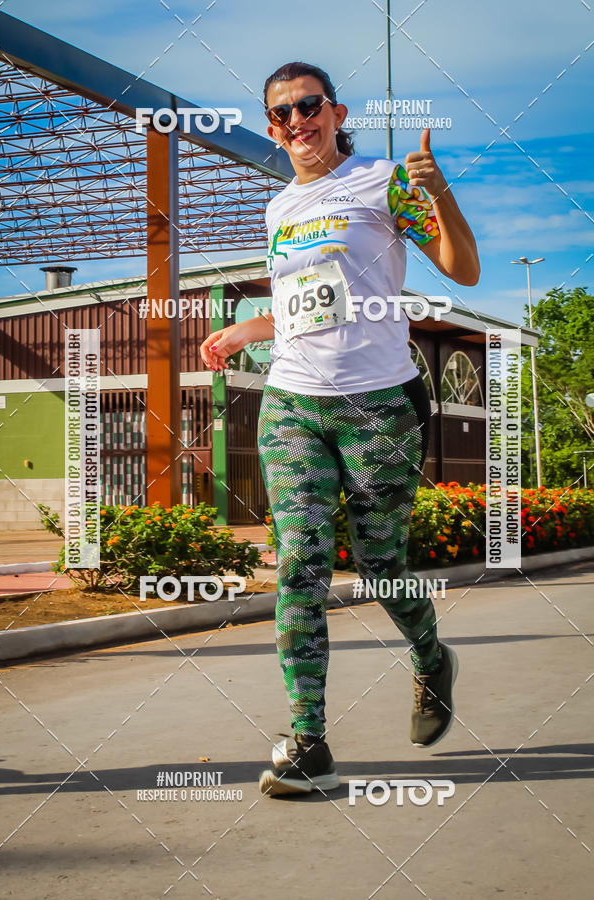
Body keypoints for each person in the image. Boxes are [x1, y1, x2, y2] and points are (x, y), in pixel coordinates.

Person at [199, 61, 480, 797]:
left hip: (378, 404)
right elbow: (311, 303)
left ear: (336, 112)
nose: (297, 121)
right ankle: (308, 741)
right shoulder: (279, 209)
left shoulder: (383, 181)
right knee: (300, 565)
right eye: (282, 114)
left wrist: (439, 191)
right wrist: (247, 330)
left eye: (309, 106)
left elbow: (464, 268)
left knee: (381, 564)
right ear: (272, 129)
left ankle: (430, 657)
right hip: (292, 400)